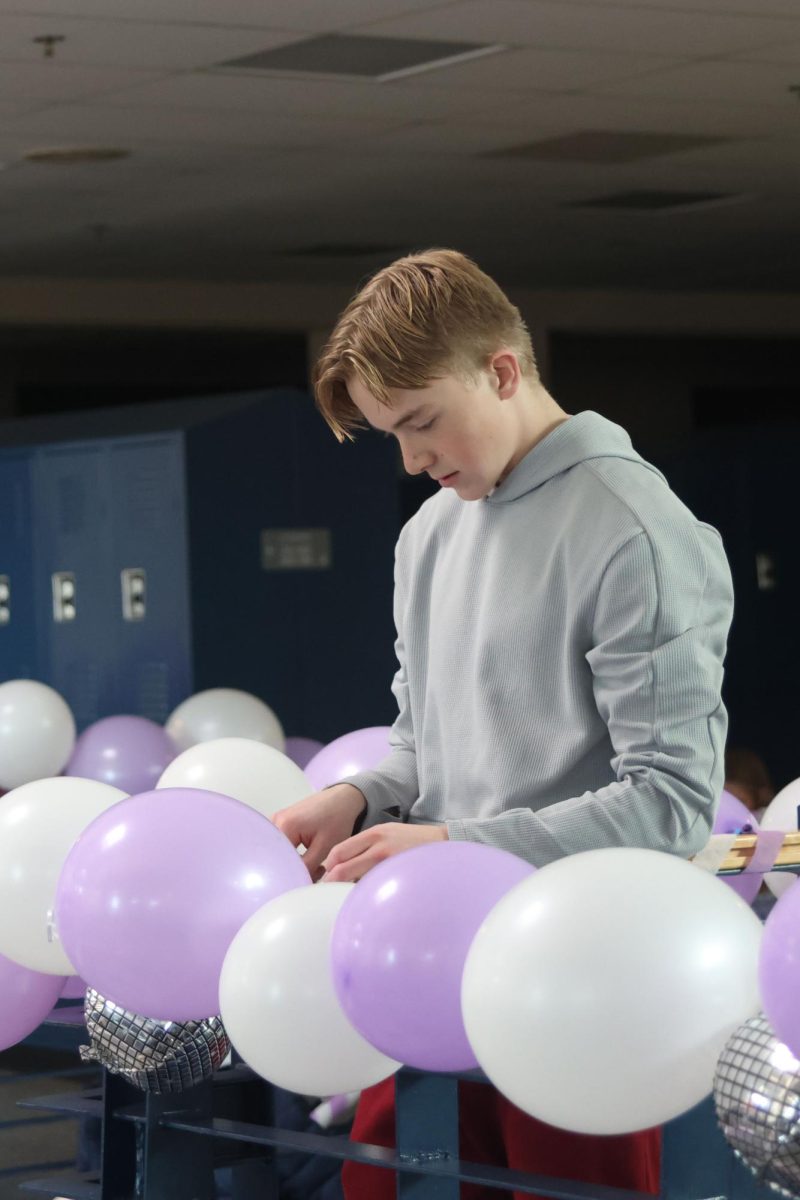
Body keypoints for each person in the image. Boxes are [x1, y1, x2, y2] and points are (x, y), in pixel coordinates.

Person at [273, 249, 734, 1200]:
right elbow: (424, 739)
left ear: (504, 371)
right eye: (388, 436)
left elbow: (674, 803)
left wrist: (451, 842)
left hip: (585, 973)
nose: (411, 461)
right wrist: (360, 793)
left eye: (422, 424)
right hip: (438, 955)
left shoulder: (633, 527)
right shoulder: (429, 532)